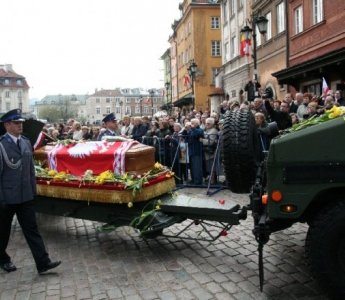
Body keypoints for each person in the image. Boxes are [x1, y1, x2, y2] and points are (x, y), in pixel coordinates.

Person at [0, 109, 61, 274]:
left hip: (25, 196)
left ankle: (43, 263)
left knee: (32, 230)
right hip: (7, 198)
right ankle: (3, 259)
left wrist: (33, 192)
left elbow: (30, 171)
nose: (20, 125)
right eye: (16, 123)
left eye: (21, 122)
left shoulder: (26, 142)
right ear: (7, 125)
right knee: (3, 232)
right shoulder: (1, 145)